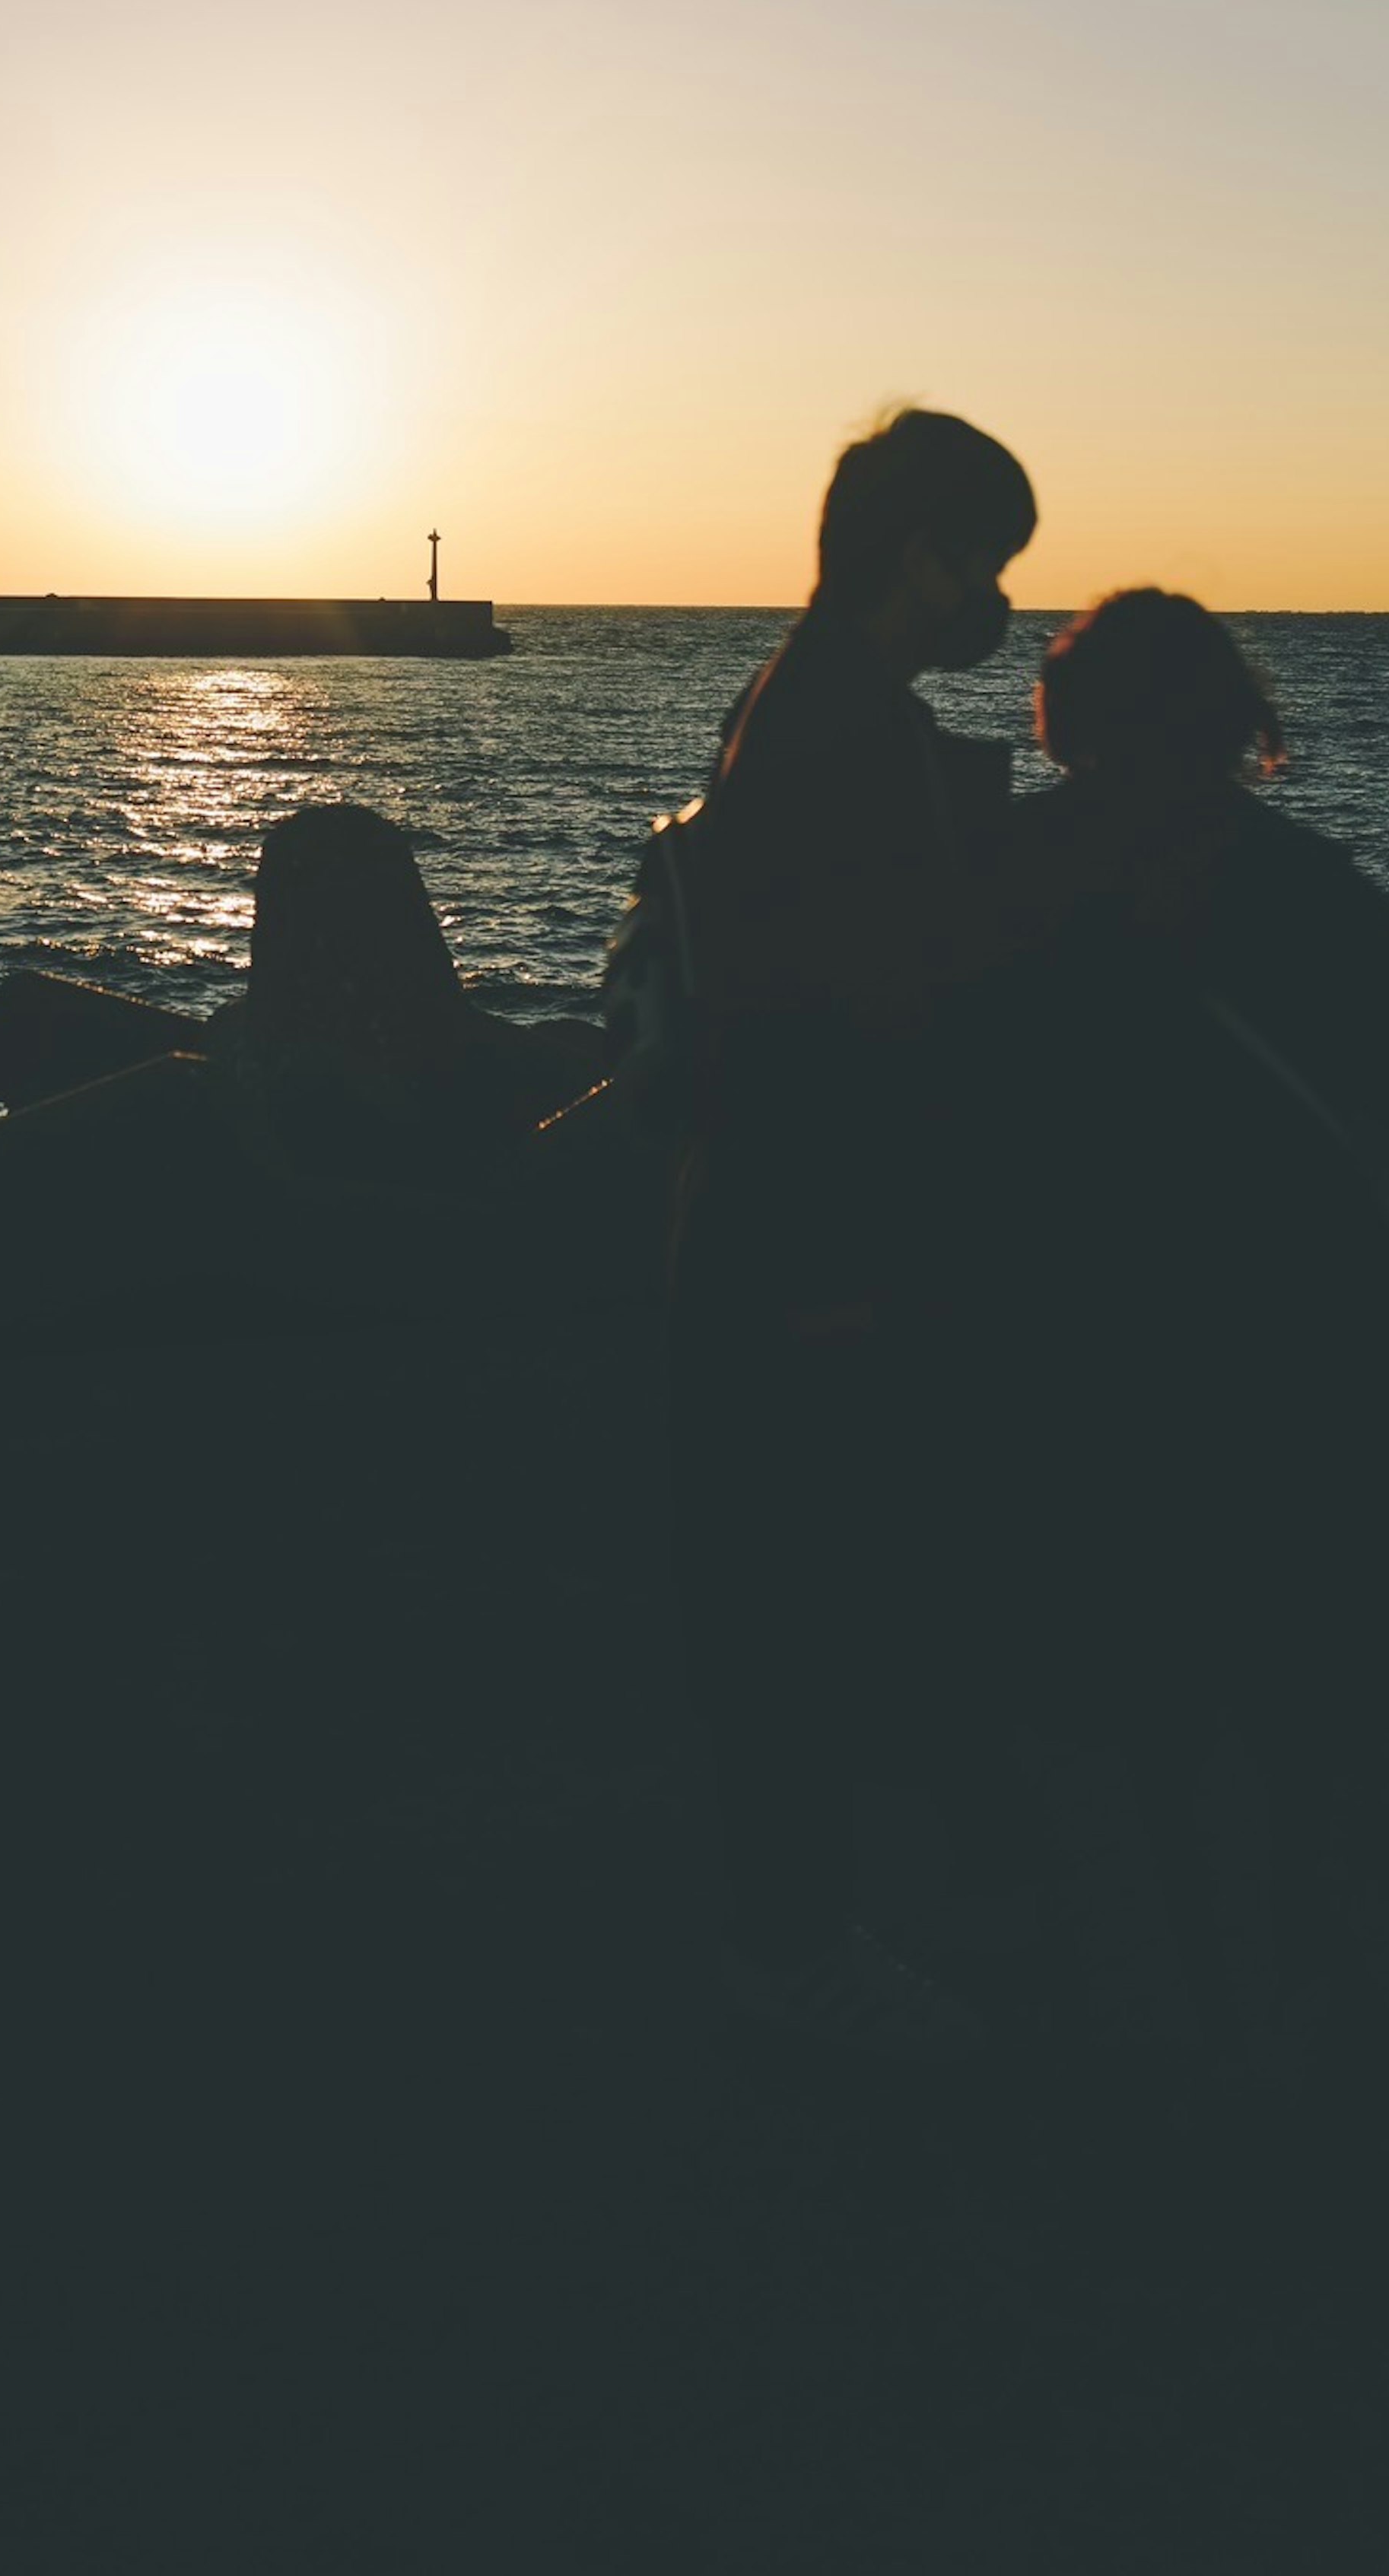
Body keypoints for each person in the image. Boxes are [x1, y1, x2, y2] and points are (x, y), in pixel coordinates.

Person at [981, 591, 1389, 2065]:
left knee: (1150, 1694)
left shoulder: (1014, 876)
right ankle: (1346, 1991)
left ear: (1067, 719)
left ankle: (1188, 1997)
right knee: (1329, 1685)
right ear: (1228, 713)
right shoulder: (1296, 882)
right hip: (1303, 1338)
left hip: (1095, 1344)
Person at [605, 407, 1046, 2059]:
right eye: (988, 559)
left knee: (793, 1606)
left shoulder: (795, 701)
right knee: (788, 1617)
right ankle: (792, 1952)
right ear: (920, 554)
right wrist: (839, 1281)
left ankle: (810, 1928)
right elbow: (829, 1015)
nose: (997, 598)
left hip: (776, 1230)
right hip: (805, 1247)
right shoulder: (840, 728)